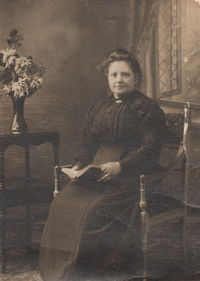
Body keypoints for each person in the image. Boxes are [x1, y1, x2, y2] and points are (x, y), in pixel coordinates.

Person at [39, 49, 166, 281]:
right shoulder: (99, 108)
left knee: (93, 210)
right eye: (114, 75)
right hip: (97, 173)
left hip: (132, 178)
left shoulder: (147, 108)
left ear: (136, 77)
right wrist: (79, 165)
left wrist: (122, 165)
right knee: (62, 202)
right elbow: (87, 145)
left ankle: (88, 273)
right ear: (107, 78)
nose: (119, 80)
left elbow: (151, 148)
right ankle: (58, 274)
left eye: (125, 75)